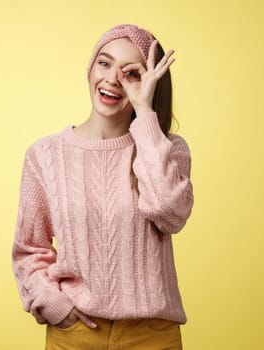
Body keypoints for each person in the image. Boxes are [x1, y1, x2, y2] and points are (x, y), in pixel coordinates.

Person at [11, 24, 194, 350]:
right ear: (90, 68)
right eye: (105, 63)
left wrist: (145, 113)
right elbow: (29, 250)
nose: (112, 79)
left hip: (153, 335)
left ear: (150, 83)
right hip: (76, 333)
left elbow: (169, 213)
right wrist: (54, 305)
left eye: (131, 73)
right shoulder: (45, 155)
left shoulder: (167, 149)